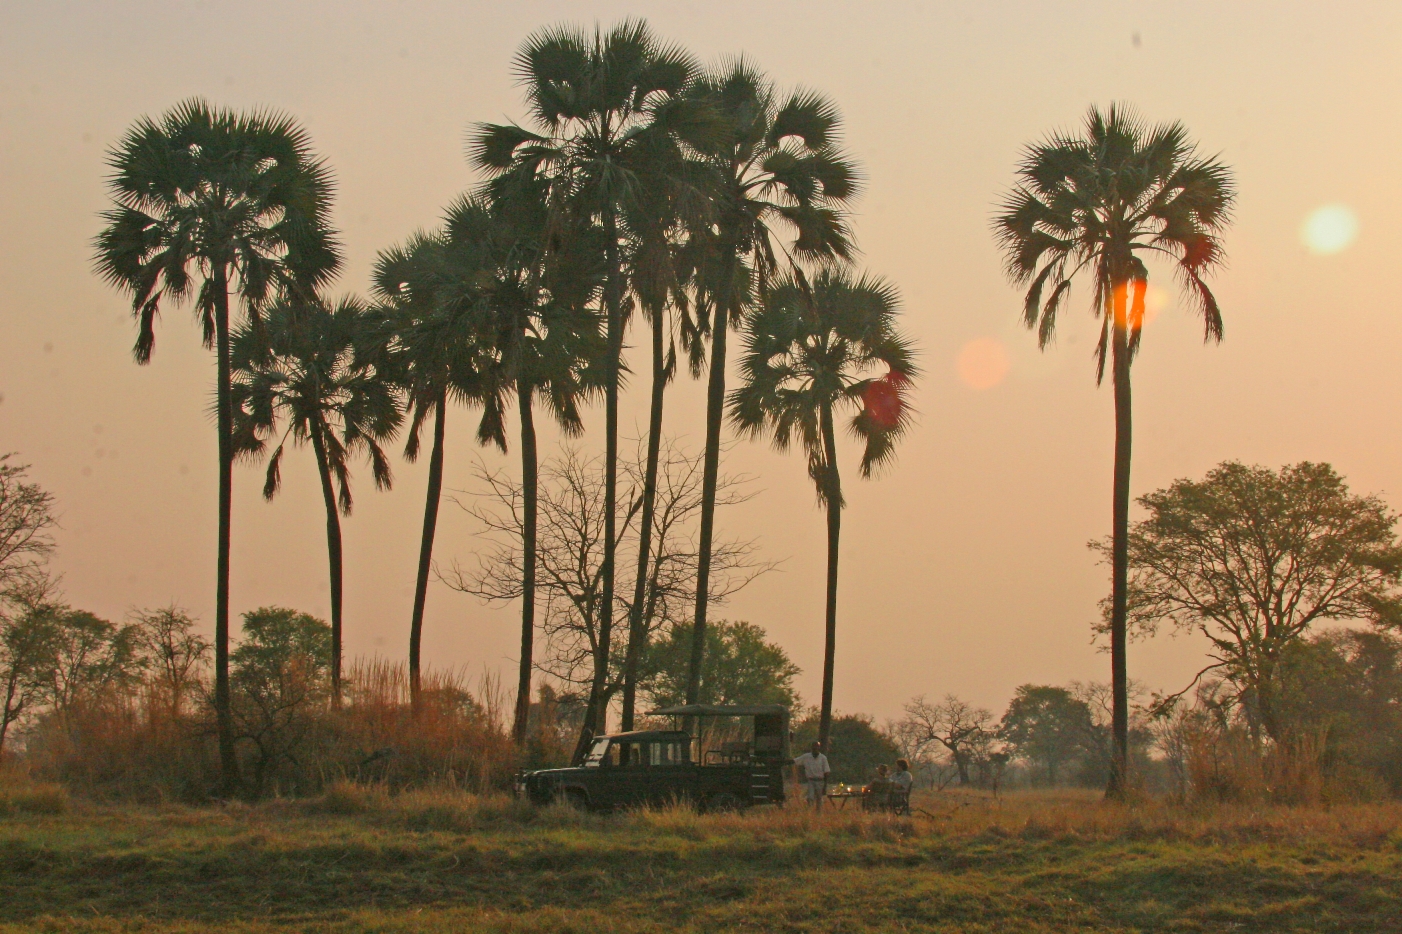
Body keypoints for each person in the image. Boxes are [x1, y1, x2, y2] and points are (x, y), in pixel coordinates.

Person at [793, 741, 830, 809]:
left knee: (819, 798)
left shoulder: (823, 758)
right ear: (811, 748)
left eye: (817, 747)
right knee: (810, 797)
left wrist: (825, 785)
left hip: (820, 780)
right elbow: (795, 761)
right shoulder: (806, 757)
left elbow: (826, 772)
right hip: (811, 780)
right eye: (814, 747)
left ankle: (818, 813)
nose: (815, 749)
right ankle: (809, 811)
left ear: (819, 748)